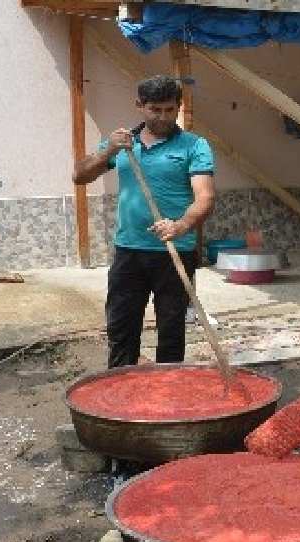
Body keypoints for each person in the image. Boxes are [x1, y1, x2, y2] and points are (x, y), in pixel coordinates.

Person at [73, 75, 216, 369]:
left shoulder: (194, 145)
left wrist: (181, 225)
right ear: (140, 106)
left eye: (169, 109)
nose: (163, 117)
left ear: (178, 106)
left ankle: (167, 394)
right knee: (122, 329)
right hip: (130, 251)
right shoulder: (122, 144)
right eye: (155, 110)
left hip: (175, 251)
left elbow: (205, 198)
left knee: (171, 331)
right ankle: (122, 393)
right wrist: (107, 151)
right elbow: (80, 176)